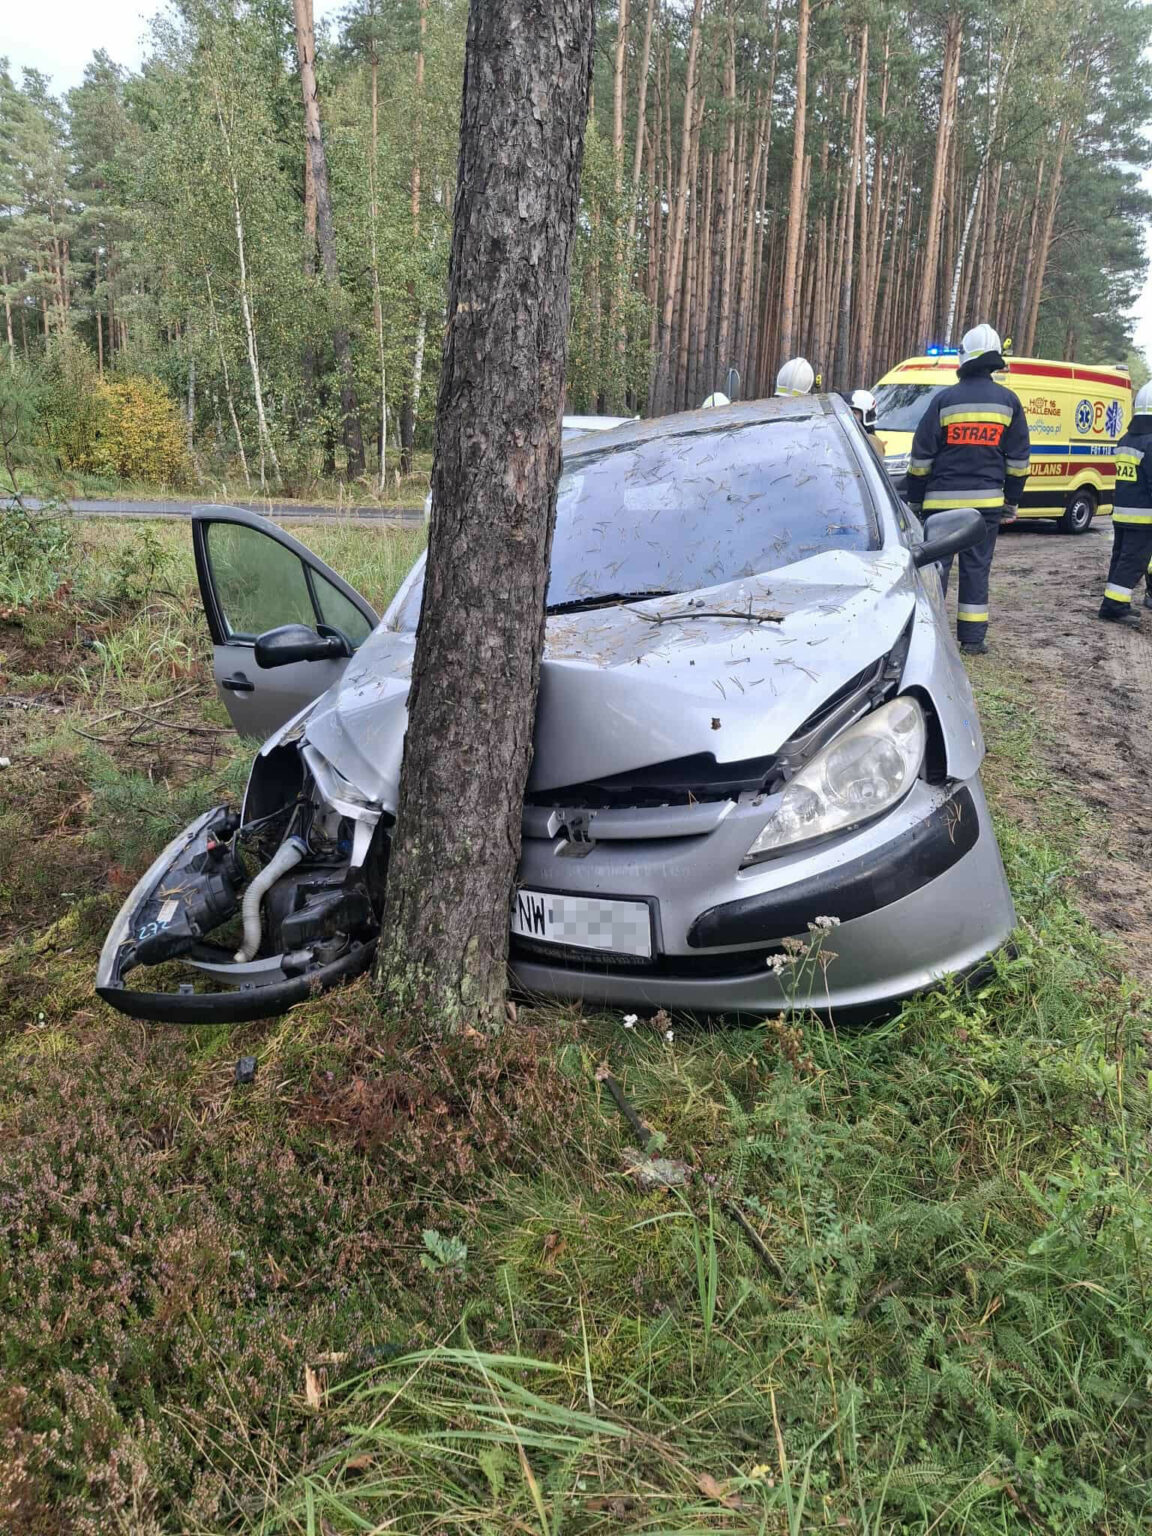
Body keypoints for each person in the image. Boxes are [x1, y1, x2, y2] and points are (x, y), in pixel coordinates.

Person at [905, 323, 1029, 655]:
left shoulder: (944, 401)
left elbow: (921, 458)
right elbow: (1018, 460)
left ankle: (929, 635)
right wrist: (1011, 502)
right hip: (986, 506)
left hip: (942, 505)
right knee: (977, 569)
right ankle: (973, 640)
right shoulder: (1009, 402)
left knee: (936, 569)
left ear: (964, 357)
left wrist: (915, 499)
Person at [1099, 381, 1152, 627]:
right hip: (1143, 517)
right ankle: (1114, 607)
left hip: (1122, 514)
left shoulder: (1127, 439)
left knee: (1121, 558)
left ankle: (1115, 602)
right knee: (1133, 562)